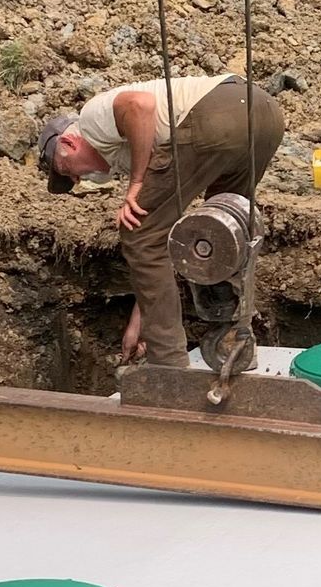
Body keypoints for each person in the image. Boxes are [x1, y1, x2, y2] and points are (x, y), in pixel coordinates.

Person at [37, 72, 283, 367]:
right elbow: (159, 248)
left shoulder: (91, 119)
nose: (77, 180)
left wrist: (137, 182)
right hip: (265, 114)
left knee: (138, 231)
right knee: (222, 230)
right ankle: (233, 344)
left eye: (67, 170)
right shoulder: (126, 149)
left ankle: (167, 364)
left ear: (70, 142)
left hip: (217, 117)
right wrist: (140, 323)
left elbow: (140, 105)